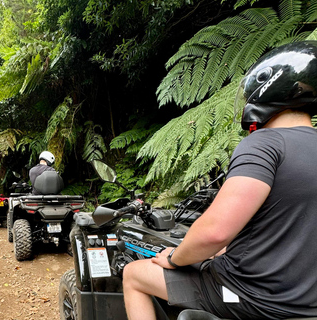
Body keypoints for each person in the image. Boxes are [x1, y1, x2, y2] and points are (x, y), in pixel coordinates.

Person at [123, 41, 317, 320]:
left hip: (254, 297)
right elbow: (284, 229)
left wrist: (174, 257)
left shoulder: (264, 144)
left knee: (133, 275)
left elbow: (214, 232)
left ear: (267, 88)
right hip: (306, 302)